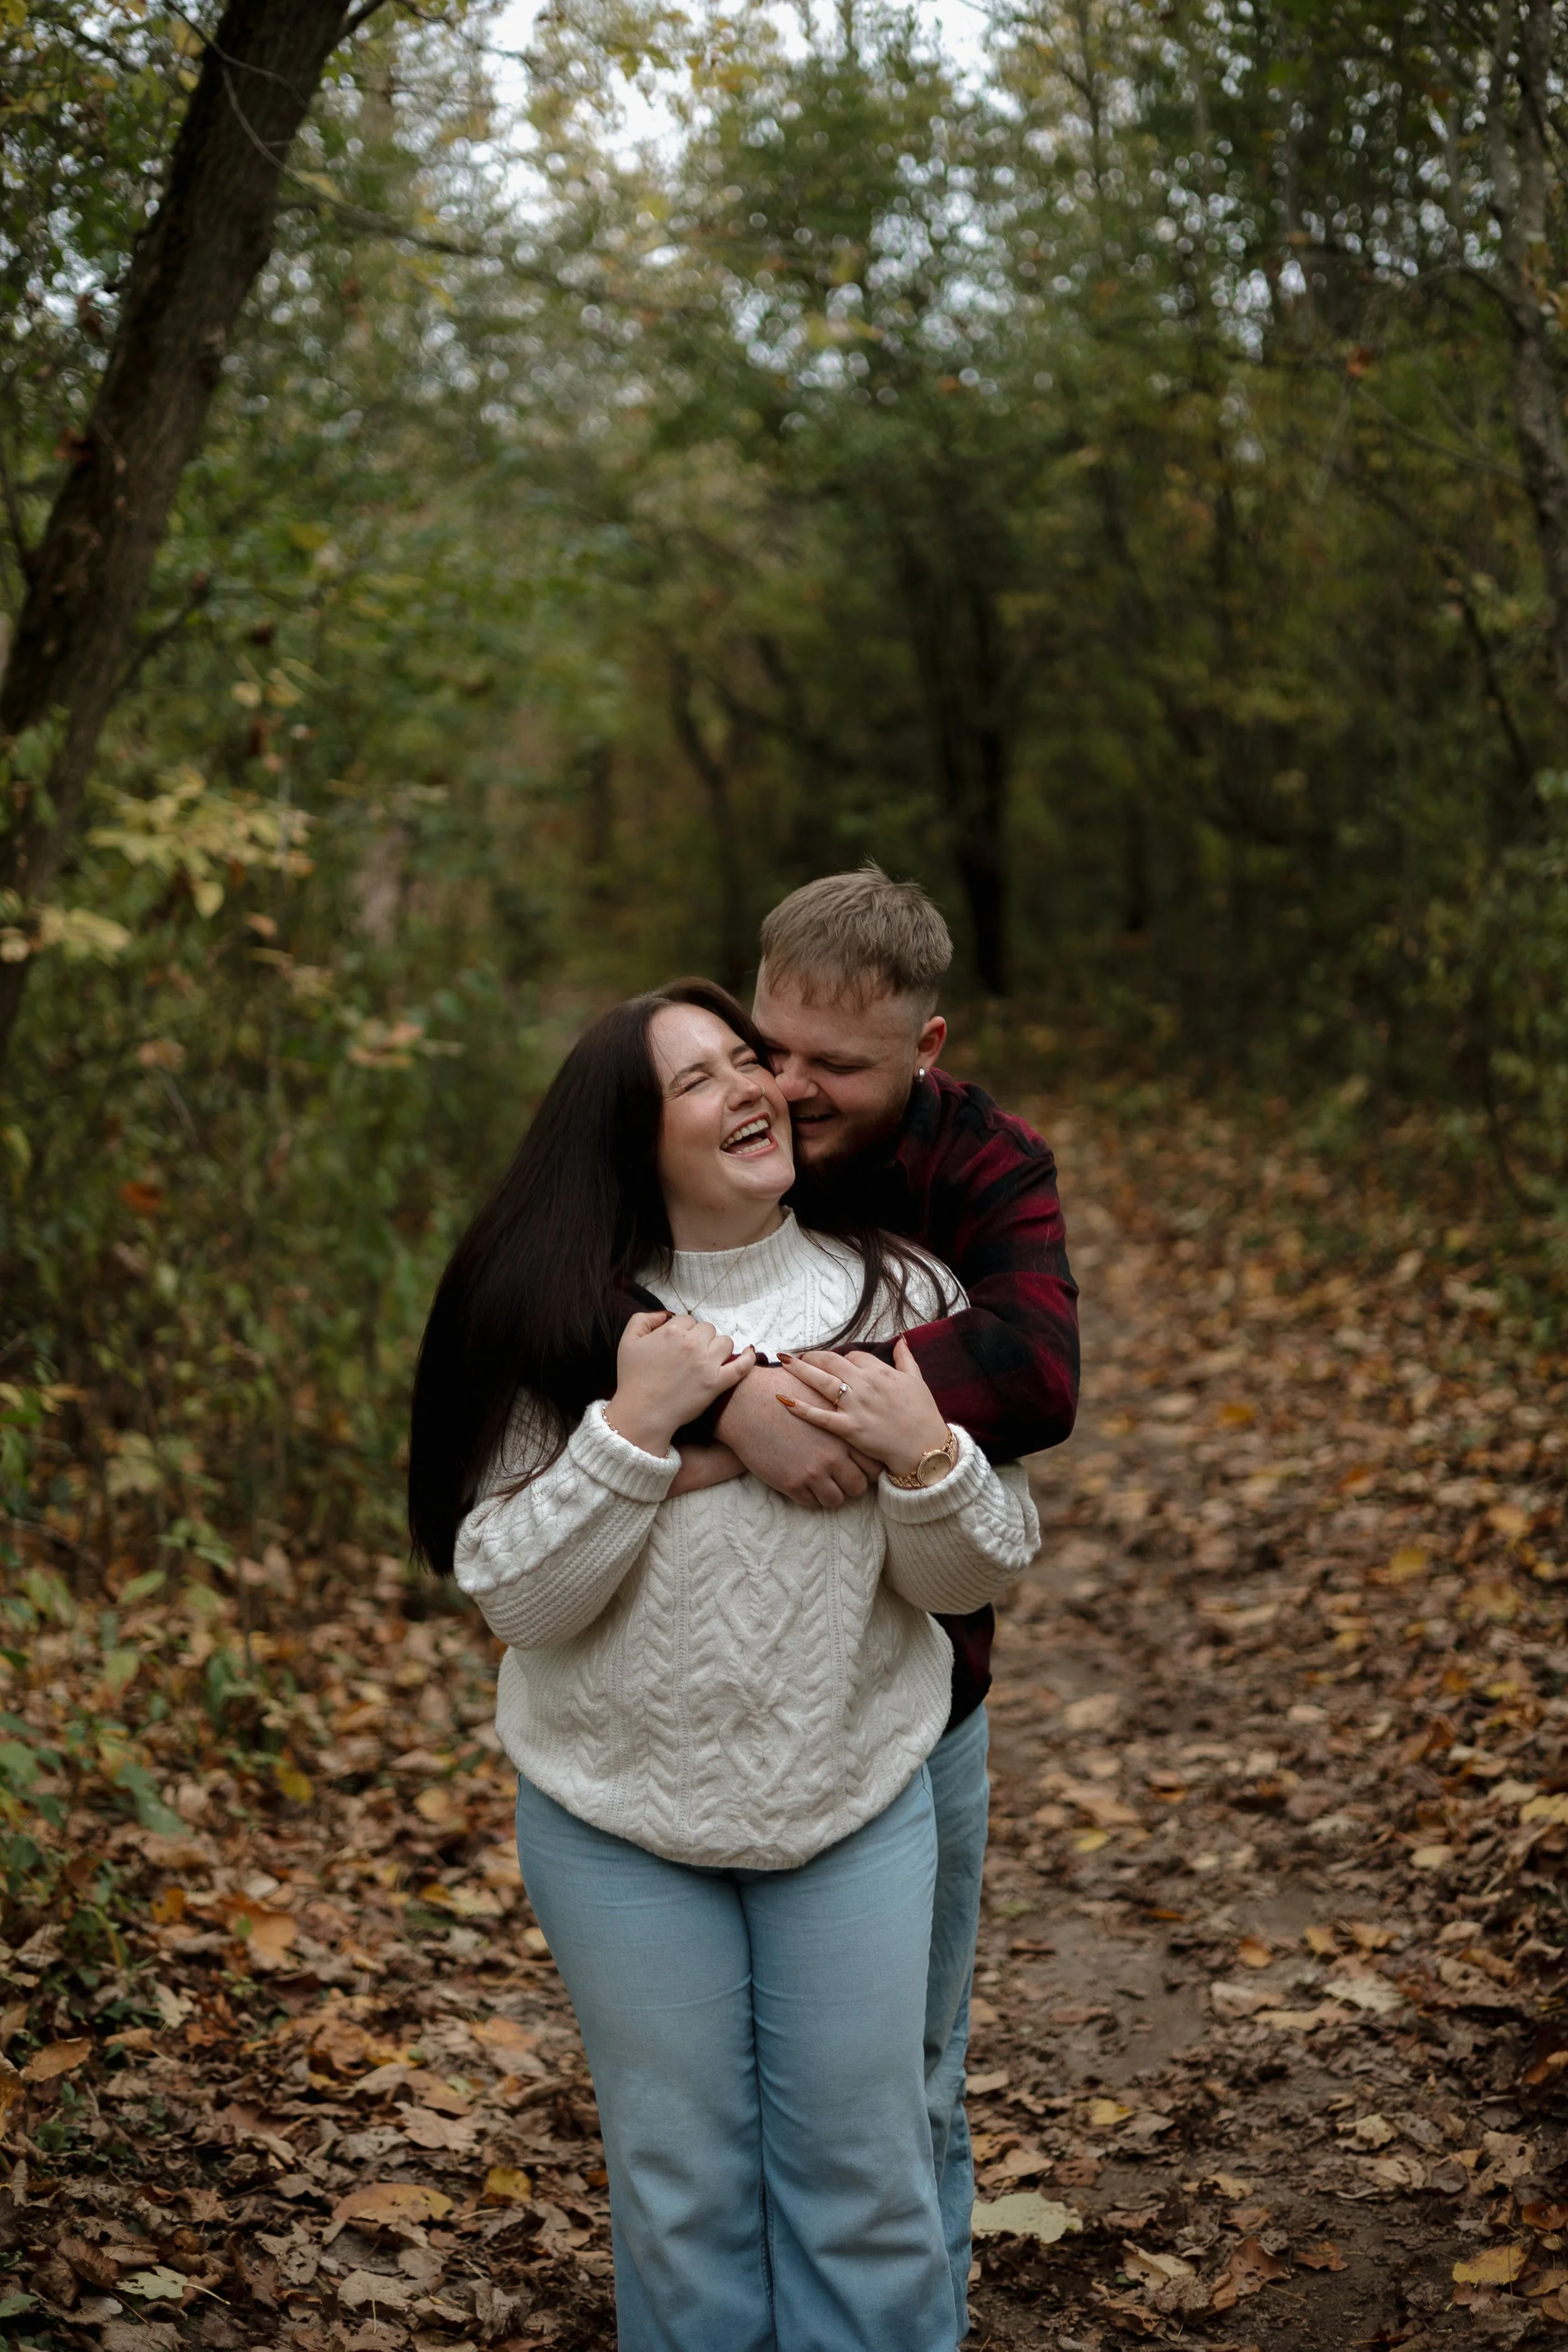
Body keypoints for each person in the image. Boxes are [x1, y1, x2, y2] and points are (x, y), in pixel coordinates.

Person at [406, 977, 1041, 2352]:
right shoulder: (558, 1326)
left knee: (863, 2186)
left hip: (850, 1800)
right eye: (696, 1079)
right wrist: (634, 1435)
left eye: (744, 1060)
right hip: (615, 1818)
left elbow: (969, 1574)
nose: (750, 1086)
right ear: (632, 1140)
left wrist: (925, 1458)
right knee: (680, 2192)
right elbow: (512, 1595)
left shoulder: (897, 1290)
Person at [686, 868, 1079, 2338]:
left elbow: (1036, 1376)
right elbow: (567, 1317)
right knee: (715, 2100)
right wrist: (743, 1421)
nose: (783, 1089)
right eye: (765, 1042)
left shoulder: (984, 1162)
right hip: (701, 1704)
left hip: (918, 1691)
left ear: (923, 1048)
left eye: (832, 1067)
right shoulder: (690, 1115)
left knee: (899, 2077)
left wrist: (795, 1386)